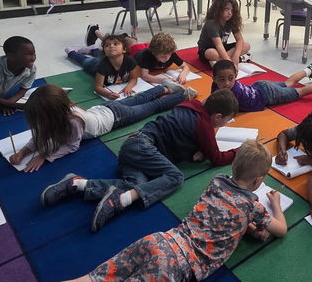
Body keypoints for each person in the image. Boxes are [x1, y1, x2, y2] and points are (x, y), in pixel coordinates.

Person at [63, 139, 287, 282]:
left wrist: (245, 226)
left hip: (161, 240)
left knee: (94, 277)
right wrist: (275, 204)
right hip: (175, 265)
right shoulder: (251, 206)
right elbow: (281, 230)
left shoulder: (216, 182)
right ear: (259, 180)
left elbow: (223, 213)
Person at [39, 89, 240, 232]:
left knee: (133, 185)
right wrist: (240, 151)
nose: (225, 124)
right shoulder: (204, 126)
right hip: (144, 147)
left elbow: (183, 135)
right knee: (176, 177)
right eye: (226, 120)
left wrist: (199, 150)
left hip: (135, 149)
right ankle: (121, 199)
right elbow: (217, 158)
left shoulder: (191, 105)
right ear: (217, 116)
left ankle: (77, 184)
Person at [9, 83, 196, 172]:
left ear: (52, 113)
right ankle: (163, 88)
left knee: (149, 107)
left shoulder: (73, 122)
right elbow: (41, 133)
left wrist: (45, 155)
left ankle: (183, 96)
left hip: (116, 118)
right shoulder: (60, 111)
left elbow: (72, 146)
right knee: (137, 100)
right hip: (104, 109)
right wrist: (24, 151)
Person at [211, 60, 312, 112]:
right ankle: (309, 70)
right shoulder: (216, 86)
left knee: (300, 91)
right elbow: (213, 99)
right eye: (222, 80)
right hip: (260, 86)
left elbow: (227, 112)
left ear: (236, 75)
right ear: (214, 79)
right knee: (287, 83)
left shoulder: (233, 93)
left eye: (231, 79)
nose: (227, 83)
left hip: (268, 95)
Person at [65, 34, 140, 100]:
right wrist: (108, 94)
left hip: (104, 58)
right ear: (104, 52)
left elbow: (134, 78)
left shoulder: (130, 61)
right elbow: (98, 87)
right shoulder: (103, 65)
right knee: (86, 61)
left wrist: (129, 87)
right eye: (107, 45)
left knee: (99, 57)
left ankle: (93, 49)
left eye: (115, 44)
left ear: (124, 49)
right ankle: (71, 52)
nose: (111, 46)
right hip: (94, 66)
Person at [198, 0, 251, 65]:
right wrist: (230, 63)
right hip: (208, 49)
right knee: (212, 53)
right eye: (227, 9)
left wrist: (236, 55)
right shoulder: (211, 23)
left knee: (246, 45)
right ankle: (227, 60)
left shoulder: (231, 21)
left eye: (232, 10)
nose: (230, 13)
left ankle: (218, 61)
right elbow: (218, 45)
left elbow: (240, 39)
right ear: (219, 9)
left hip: (222, 48)